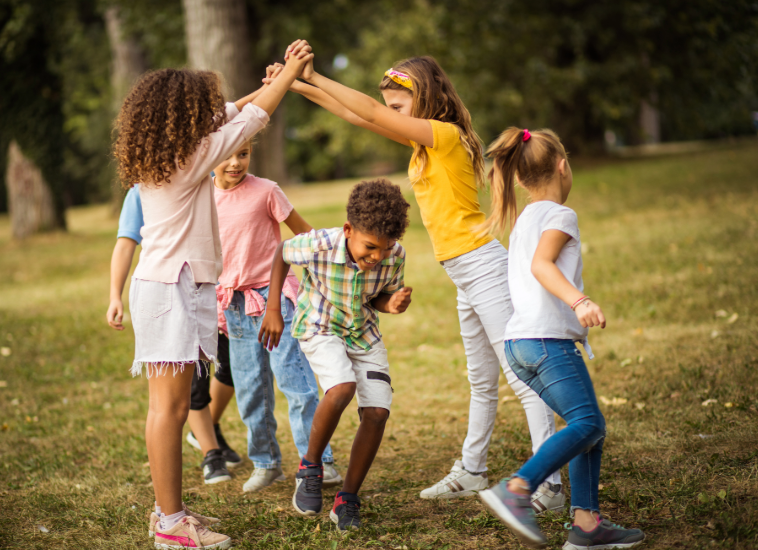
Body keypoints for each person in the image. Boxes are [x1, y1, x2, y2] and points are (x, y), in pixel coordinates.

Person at [268, 53, 563, 510]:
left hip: (482, 266)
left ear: (423, 98)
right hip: (465, 272)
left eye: (398, 106)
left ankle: (551, 485)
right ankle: (472, 469)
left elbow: (367, 110)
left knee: (520, 375)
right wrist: (296, 83)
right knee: (481, 379)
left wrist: (314, 74)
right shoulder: (426, 142)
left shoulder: (444, 136)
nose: (390, 114)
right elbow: (357, 115)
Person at [112, 40, 313, 549]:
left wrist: (272, 81)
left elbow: (241, 108)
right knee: (169, 410)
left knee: (172, 409)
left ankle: (170, 512)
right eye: (203, 110)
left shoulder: (170, 151)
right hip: (168, 288)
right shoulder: (193, 156)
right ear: (186, 118)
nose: (213, 116)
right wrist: (290, 72)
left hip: (174, 285)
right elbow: (253, 117)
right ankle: (170, 523)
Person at [478, 127, 645, 549]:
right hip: (546, 343)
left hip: (520, 346)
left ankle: (587, 525)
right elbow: (542, 265)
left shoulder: (524, 220)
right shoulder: (559, 214)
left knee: (588, 426)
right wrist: (580, 301)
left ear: (518, 177)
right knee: (587, 422)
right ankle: (517, 488)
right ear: (563, 166)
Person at [259, 179, 413, 531]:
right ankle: (310, 466)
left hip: (363, 332)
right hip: (320, 325)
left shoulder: (394, 255)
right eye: (370, 247)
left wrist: (391, 303)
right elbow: (283, 252)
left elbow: (378, 297)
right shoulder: (320, 244)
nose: (376, 257)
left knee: (377, 411)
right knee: (341, 387)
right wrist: (273, 309)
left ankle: (347, 498)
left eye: (384, 250)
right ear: (348, 230)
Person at [211, 139, 341, 493]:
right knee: (251, 389)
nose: (236, 163)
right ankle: (266, 463)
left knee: (295, 382)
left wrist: (334, 265)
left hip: (275, 297)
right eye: (227, 155)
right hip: (233, 303)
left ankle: (320, 461)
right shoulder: (201, 197)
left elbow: (306, 234)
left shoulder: (266, 191)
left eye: (244, 153)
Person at [106, 184, 242, 492]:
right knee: (178, 399)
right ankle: (209, 452)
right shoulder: (140, 192)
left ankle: (209, 432)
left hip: (212, 294)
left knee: (226, 370)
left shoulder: (204, 178)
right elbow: (126, 244)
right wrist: (115, 294)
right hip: (171, 297)